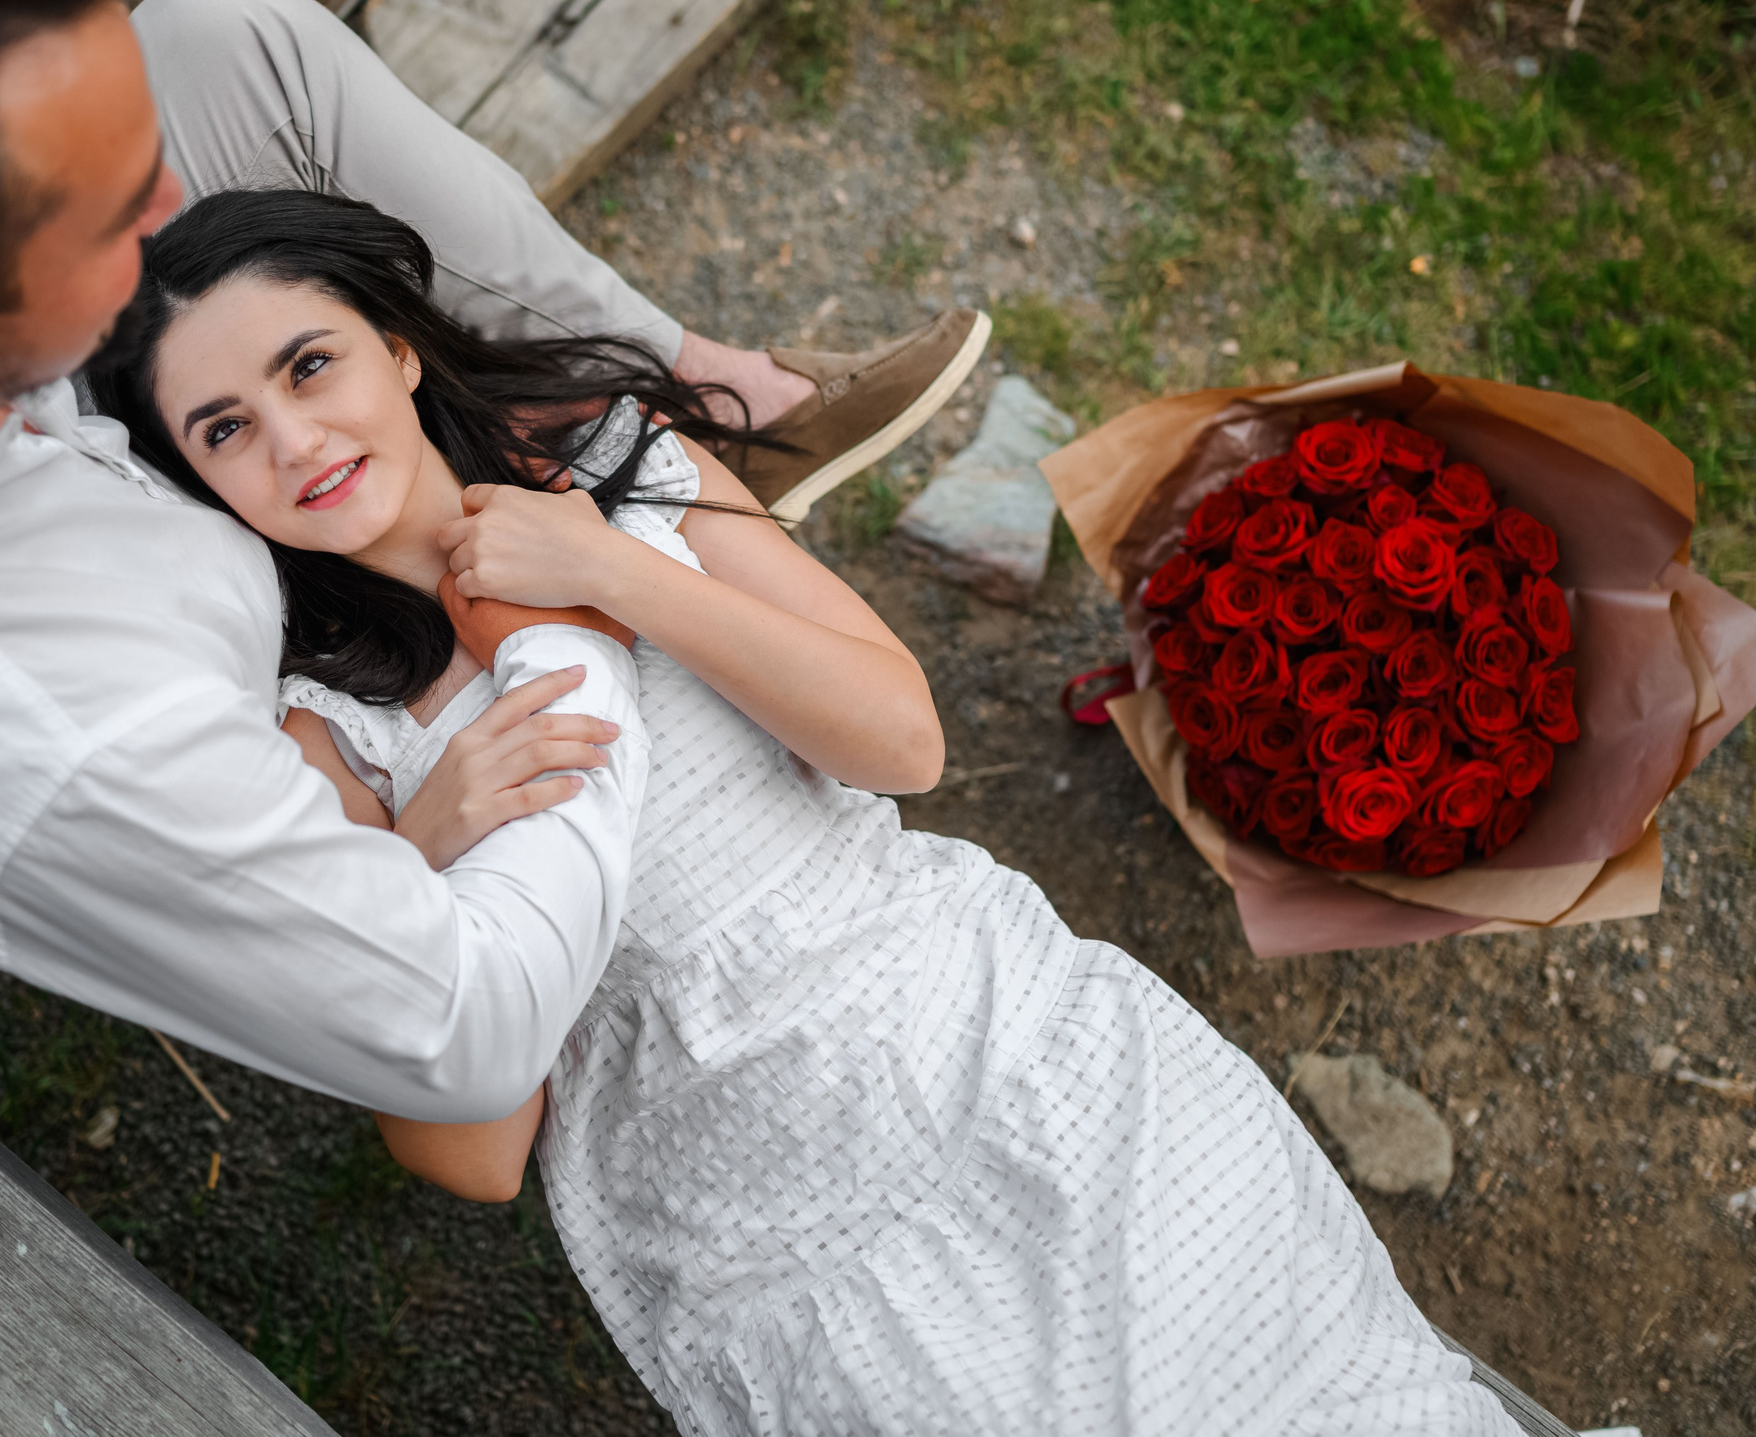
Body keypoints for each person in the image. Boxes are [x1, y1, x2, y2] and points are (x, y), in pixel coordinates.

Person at [0, 0, 983, 1124]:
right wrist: (575, 619)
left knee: (225, 43)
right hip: (153, 701)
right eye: (118, 213)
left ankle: (697, 399)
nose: (178, 206)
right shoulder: (87, 737)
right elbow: (473, 1041)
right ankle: (589, 436)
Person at [88, 188, 1518, 1437]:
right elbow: (471, 1157)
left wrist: (619, 575)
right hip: (778, 1241)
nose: (296, 439)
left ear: (397, 347)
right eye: (227, 428)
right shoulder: (328, 740)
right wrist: (426, 858)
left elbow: (903, 742)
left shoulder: (619, 469)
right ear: (198, 481)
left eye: (310, 365)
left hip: (1008, 1049)